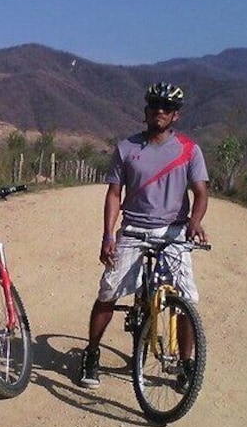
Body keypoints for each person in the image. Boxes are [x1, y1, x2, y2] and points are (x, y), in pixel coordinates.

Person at [78, 82, 209, 390]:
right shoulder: (126, 148)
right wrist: (108, 236)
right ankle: (91, 352)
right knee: (108, 292)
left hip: (173, 232)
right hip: (134, 230)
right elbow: (114, 194)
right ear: (146, 110)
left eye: (167, 108)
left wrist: (195, 221)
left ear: (176, 115)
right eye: (154, 105)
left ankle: (186, 364)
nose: (159, 111)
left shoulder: (190, 150)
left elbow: (201, 193)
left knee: (187, 299)